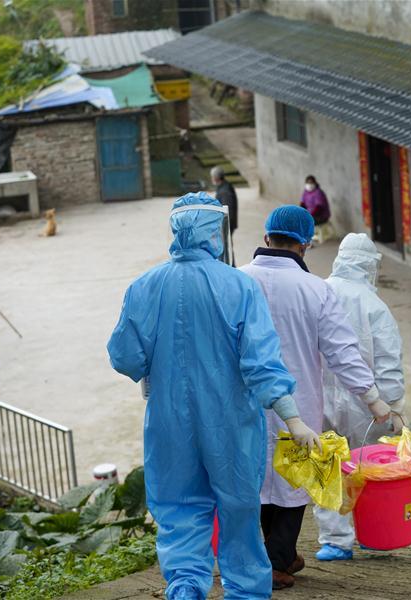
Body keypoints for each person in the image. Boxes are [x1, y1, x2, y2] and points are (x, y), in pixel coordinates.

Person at [107, 193, 319, 600]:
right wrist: (293, 418)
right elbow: (262, 362)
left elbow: (124, 356)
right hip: (232, 422)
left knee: (178, 508)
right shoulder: (239, 285)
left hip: (168, 420)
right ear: (214, 233)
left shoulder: (144, 286)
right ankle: (246, 592)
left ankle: (185, 588)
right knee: (239, 507)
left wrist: (151, 369)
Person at [239, 205, 391, 590]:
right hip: (299, 404)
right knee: (295, 480)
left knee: (259, 478)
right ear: (306, 244)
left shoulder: (237, 282)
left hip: (246, 404)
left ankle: (280, 555)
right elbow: (342, 352)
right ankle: (275, 561)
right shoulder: (315, 289)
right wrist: (372, 397)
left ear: (265, 237)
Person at [314, 233, 408, 562]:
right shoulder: (374, 306)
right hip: (367, 406)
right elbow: (388, 362)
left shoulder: (317, 292)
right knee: (367, 472)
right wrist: (394, 407)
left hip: (319, 398)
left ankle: (335, 541)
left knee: (327, 468)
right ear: (370, 266)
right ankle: (371, 532)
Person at [211, 166, 238, 233]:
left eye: (212, 177)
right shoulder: (223, 186)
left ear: (216, 178)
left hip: (227, 225)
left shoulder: (225, 191)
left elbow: (228, 211)